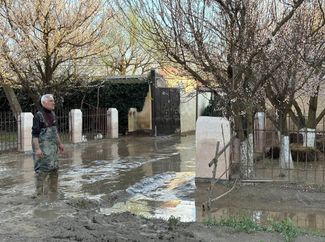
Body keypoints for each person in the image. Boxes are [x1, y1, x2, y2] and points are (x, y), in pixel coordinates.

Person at [32, 94, 64, 197]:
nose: (53, 102)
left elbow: (55, 132)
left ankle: (53, 193)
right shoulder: (38, 115)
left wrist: (60, 144)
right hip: (43, 150)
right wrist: (37, 149)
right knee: (41, 172)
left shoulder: (53, 114)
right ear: (44, 103)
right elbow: (35, 135)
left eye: (53, 100)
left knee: (54, 170)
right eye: (51, 101)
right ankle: (39, 196)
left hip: (53, 150)